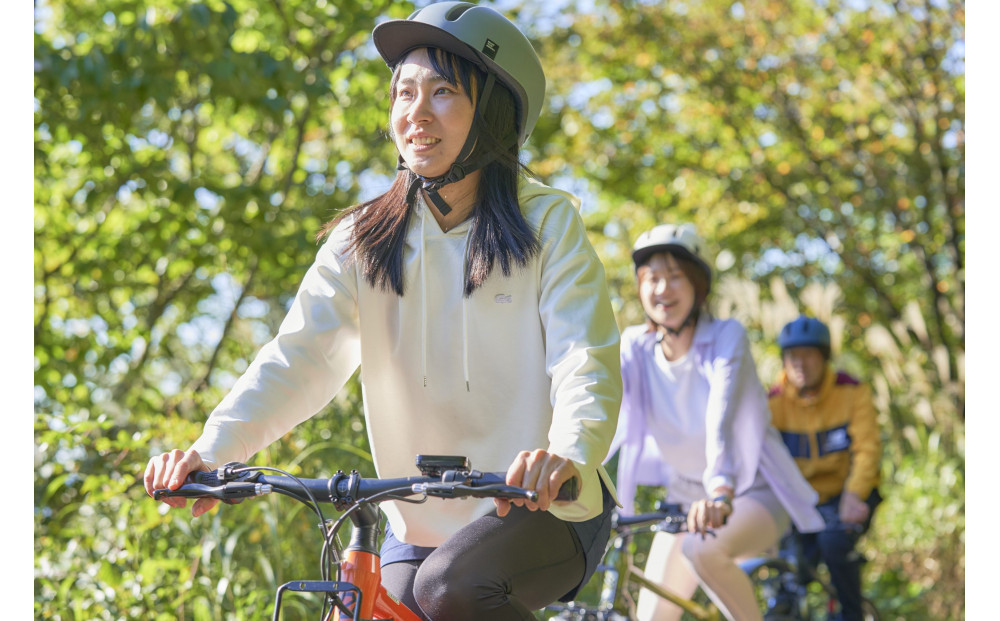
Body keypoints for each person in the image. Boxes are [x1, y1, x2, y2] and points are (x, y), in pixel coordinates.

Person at [142, 3, 623, 619]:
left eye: (443, 91)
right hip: (416, 519)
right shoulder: (363, 240)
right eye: (403, 93)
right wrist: (212, 452)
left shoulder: (547, 223)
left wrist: (569, 456)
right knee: (359, 606)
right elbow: (298, 358)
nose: (415, 114)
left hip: (541, 505)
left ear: (496, 113)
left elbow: (584, 357)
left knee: (450, 590)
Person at [607, 223, 824, 621]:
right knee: (651, 617)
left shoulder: (727, 336)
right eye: (652, 278)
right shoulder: (634, 347)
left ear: (697, 285)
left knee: (701, 549)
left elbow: (721, 415)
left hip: (750, 492)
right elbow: (602, 407)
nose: (662, 290)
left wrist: (721, 490)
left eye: (675, 277)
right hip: (685, 502)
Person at [768, 316, 882, 621]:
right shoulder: (772, 401)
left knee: (834, 543)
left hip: (845, 496)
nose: (800, 364)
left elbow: (867, 450)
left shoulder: (851, 392)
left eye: (808, 355)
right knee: (789, 570)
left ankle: (852, 613)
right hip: (798, 502)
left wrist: (854, 494)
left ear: (824, 357)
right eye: (793, 356)